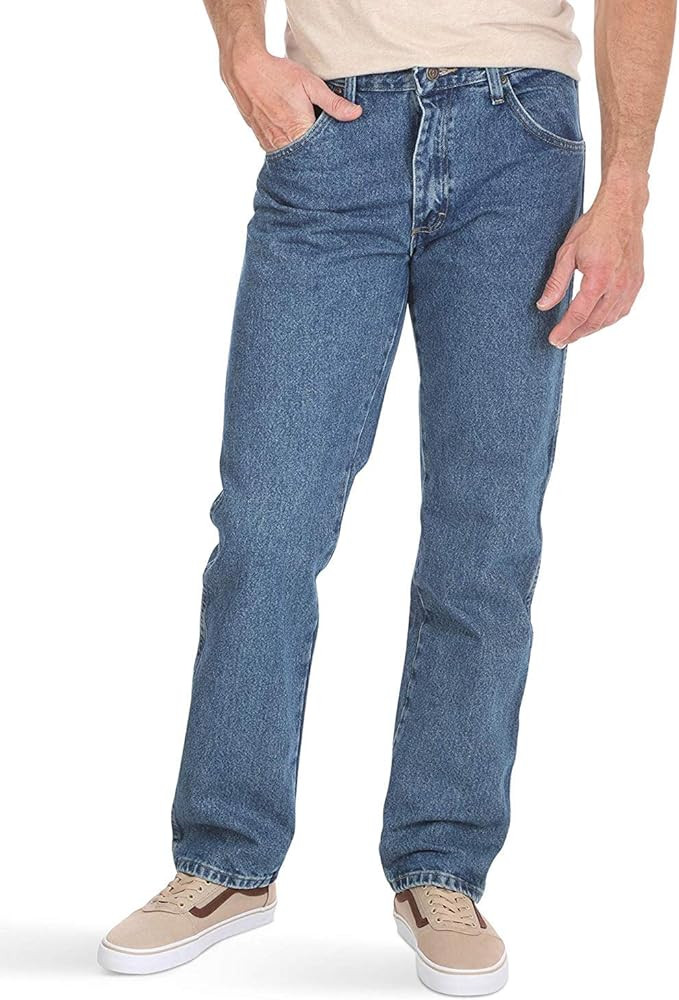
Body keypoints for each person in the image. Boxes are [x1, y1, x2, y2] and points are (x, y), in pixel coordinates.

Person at [98, 0, 675, 992]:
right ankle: (225, 862)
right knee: (265, 527)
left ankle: (441, 868)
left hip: (519, 139)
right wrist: (241, 52)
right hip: (332, 128)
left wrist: (624, 189)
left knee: (484, 537)